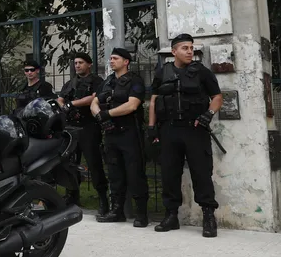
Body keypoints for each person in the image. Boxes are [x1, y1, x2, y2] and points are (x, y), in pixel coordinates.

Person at [148, 34, 223, 237]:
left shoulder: (201, 72)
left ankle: (208, 216)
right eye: (185, 48)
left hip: (195, 129)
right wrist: (152, 127)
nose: (190, 51)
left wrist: (209, 114)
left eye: (191, 48)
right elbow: (154, 101)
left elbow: (217, 97)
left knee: (201, 173)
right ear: (174, 52)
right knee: (169, 174)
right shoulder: (162, 72)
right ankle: (171, 215)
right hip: (169, 130)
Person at [91, 48, 149, 227]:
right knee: (115, 174)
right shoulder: (107, 82)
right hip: (110, 133)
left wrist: (107, 114)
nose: (111, 61)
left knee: (135, 173)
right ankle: (117, 211)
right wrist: (101, 118)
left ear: (126, 62)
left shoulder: (135, 80)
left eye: (115, 58)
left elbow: (132, 105)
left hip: (129, 133)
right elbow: (94, 102)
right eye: (110, 58)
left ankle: (141, 214)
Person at [58, 52, 108, 212]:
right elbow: (60, 98)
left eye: (80, 62)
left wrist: (71, 104)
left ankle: (103, 199)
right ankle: (72, 196)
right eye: (76, 63)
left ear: (89, 64)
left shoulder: (97, 81)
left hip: (88, 127)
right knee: (70, 164)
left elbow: (93, 98)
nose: (77, 65)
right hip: (71, 128)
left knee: (94, 164)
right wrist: (62, 105)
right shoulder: (71, 83)